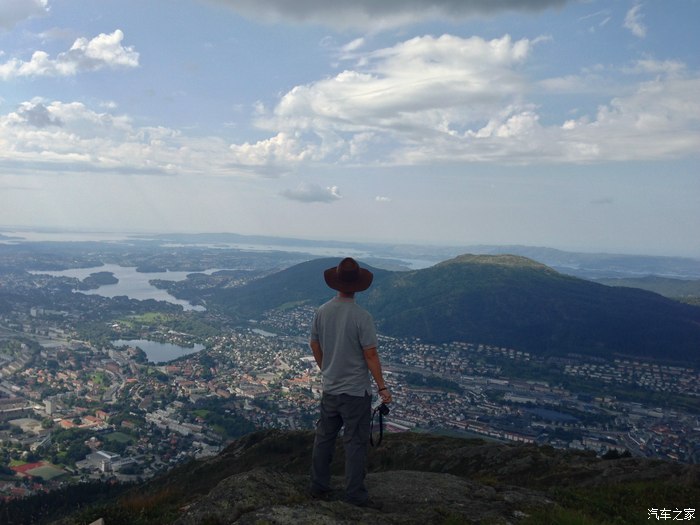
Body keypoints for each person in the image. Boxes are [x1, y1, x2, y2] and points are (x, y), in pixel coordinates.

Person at [309, 257, 392, 507]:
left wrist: (326, 368)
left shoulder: (322, 311)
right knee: (355, 443)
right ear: (357, 285)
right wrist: (382, 387)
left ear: (336, 282)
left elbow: (314, 344)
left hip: (331, 388)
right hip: (356, 392)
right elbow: (370, 355)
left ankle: (318, 486)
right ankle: (354, 494)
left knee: (324, 438)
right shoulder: (361, 316)